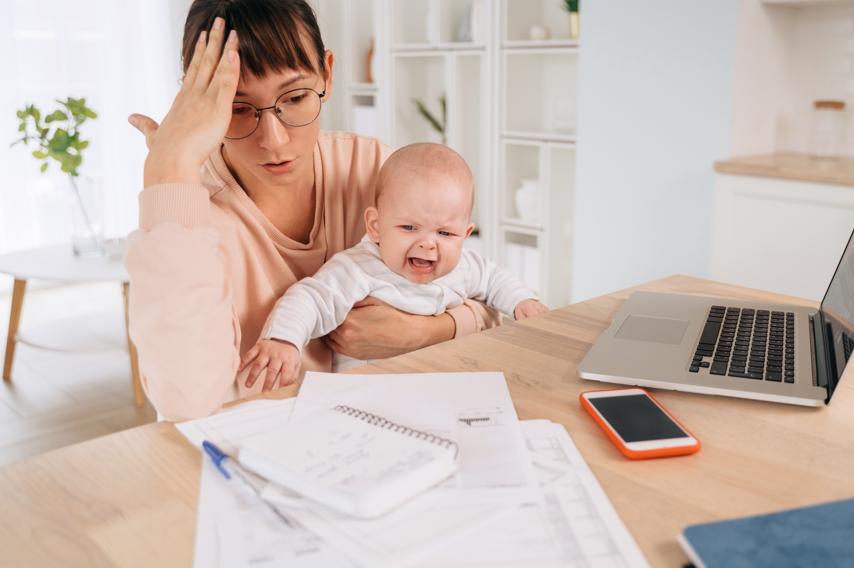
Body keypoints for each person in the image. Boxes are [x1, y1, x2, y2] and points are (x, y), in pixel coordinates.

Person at [125, 0, 500, 421]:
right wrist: (169, 168)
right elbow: (185, 403)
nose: (275, 139)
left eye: (296, 97)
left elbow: (484, 298)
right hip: (257, 441)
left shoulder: (375, 170)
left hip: (384, 423)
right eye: (238, 108)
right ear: (199, 101)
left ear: (328, 73)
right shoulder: (187, 209)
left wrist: (425, 331)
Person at [239, 143, 549, 387]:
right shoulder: (358, 268)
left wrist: (523, 300)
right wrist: (283, 340)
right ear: (375, 226)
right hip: (366, 393)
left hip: (443, 384)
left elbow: (496, 280)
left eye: (445, 233)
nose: (428, 244)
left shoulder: (464, 266)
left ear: (465, 235)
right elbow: (311, 298)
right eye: (409, 228)